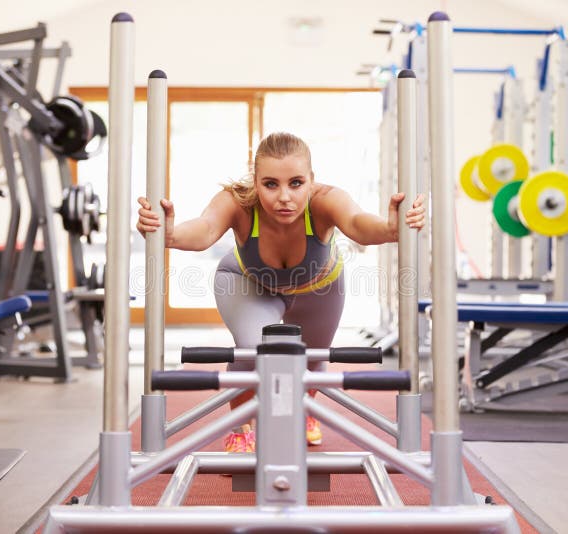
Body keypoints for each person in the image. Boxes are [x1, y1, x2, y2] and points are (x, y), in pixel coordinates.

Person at [137, 132, 425, 453]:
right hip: (249, 284)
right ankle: (241, 428)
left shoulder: (326, 200)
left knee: (312, 361)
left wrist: (389, 229)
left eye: (296, 183)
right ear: (255, 182)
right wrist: (171, 234)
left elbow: (357, 223)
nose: (284, 197)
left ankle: (304, 411)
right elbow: (205, 229)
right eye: (271, 184)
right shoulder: (238, 202)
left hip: (319, 289)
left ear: (311, 180)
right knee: (252, 352)